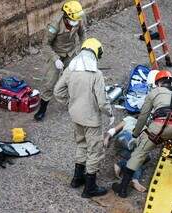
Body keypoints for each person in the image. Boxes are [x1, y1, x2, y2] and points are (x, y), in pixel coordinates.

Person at [112, 70, 172, 198]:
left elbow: (143, 116)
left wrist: (136, 134)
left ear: (159, 83)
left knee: (139, 153)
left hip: (158, 128)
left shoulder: (154, 93)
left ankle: (122, 189)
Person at [54, 38, 114, 198]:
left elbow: (57, 91)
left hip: (75, 116)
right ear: (95, 53)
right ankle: (90, 188)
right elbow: (102, 102)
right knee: (94, 151)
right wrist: (110, 113)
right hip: (91, 120)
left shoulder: (70, 69)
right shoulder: (96, 74)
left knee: (81, 145)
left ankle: (77, 179)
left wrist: (70, 104)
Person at [34, 0, 87, 121]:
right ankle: (43, 108)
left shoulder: (78, 19)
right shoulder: (55, 25)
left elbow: (83, 33)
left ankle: (71, 102)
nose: (76, 22)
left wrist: (84, 48)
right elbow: (45, 45)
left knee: (73, 78)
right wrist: (55, 59)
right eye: (73, 20)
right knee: (50, 82)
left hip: (71, 53)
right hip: (56, 54)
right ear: (66, 16)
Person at [104, 116, 149, 192]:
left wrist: (107, 138)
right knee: (139, 158)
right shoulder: (132, 120)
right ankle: (132, 176)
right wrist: (107, 138)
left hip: (123, 145)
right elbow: (114, 130)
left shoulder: (142, 126)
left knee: (139, 160)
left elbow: (113, 130)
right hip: (128, 137)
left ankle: (122, 165)